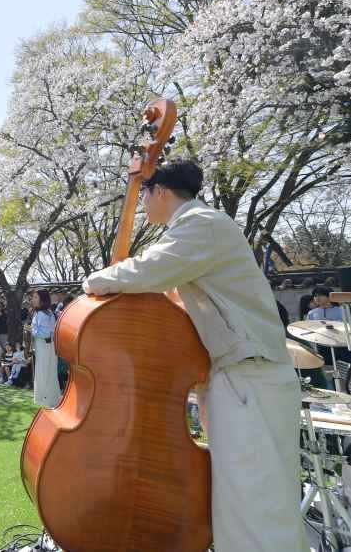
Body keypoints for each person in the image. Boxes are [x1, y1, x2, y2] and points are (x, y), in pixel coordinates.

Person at [82, 158, 305, 551]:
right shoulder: (195, 231)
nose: (142, 202)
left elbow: (150, 269)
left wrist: (97, 279)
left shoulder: (202, 225)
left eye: (144, 193)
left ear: (161, 191)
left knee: (256, 500)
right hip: (240, 376)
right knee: (246, 499)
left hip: (250, 376)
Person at [29, 290, 60, 407]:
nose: (33, 299)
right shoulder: (46, 312)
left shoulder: (44, 314)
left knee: (44, 371)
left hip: (45, 344)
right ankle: (51, 397)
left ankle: (44, 398)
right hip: (46, 345)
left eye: (36, 297)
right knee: (48, 370)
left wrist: (31, 330)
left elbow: (46, 332)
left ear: (42, 299)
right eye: (33, 297)